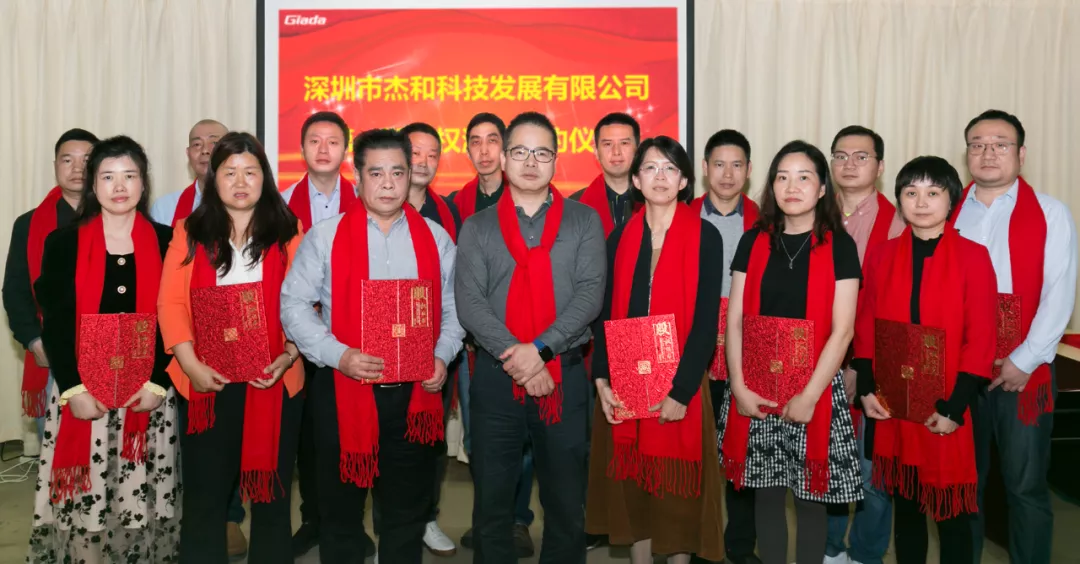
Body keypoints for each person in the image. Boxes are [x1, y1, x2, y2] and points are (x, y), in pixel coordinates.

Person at [280, 128, 465, 564]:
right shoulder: (325, 236)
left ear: (410, 175)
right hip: (342, 389)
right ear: (357, 175)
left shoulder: (436, 238)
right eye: (376, 173)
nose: (387, 184)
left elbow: (455, 309)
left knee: (406, 510)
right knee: (339, 511)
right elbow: (293, 305)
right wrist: (338, 354)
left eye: (397, 173)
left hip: (413, 396)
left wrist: (441, 355)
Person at [455, 111, 606, 564]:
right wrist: (519, 358)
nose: (531, 162)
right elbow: (470, 304)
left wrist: (540, 351)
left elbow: (590, 295)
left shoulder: (584, 221)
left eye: (542, 152)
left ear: (556, 160)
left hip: (564, 376)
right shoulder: (478, 226)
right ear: (503, 158)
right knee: (492, 502)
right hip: (496, 378)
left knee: (565, 501)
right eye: (520, 151)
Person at [26, 135, 179, 562]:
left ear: (144, 183)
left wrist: (157, 382)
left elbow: (174, 317)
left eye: (130, 175)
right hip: (82, 394)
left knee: (139, 494)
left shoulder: (168, 241)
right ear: (93, 185)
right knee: (86, 497)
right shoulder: (64, 242)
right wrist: (73, 389)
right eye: (108, 177)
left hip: (147, 395)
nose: (120, 186)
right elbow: (56, 324)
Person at [158, 132, 305, 564]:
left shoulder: (289, 230)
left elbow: (307, 301)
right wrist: (190, 364)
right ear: (213, 178)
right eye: (229, 172)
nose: (240, 182)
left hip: (275, 379)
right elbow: (171, 303)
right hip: (207, 381)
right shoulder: (189, 231)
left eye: (250, 172)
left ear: (265, 177)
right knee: (205, 494)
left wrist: (289, 354)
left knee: (272, 493)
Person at [719, 141, 863, 564]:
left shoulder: (840, 246)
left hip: (814, 388)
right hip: (756, 385)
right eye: (782, 177)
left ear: (822, 188)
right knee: (766, 495)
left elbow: (843, 330)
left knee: (810, 498)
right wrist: (738, 386)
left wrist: (809, 396)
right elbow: (734, 320)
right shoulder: (753, 241)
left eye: (804, 177)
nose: (792, 186)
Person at [586, 135, 725, 563]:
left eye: (670, 168)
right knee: (635, 489)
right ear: (636, 180)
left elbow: (706, 322)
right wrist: (602, 380)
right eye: (650, 167)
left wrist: (681, 392)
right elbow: (605, 315)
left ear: (684, 180)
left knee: (676, 490)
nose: (660, 177)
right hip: (626, 379)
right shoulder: (619, 238)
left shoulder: (705, 236)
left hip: (682, 380)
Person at [854, 156, 996, 564]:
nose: (921, 202)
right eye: (910, 192)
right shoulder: (881, 256)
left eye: (933, 192)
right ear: (899, 199)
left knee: (952, 513)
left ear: (952, 200)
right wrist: (866, 389)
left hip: (949, 404)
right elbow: (866, 325)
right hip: (894, 405)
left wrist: (954, 407)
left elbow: (981, 339)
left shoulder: (974, 257)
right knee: (907, 509)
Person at [953, 110, 1077, 564]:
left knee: (1024, 486)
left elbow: (1059, 293)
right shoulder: (946, 210)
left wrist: (1024, 360)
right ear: (967, 153)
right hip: (959, 370)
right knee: (963, 483)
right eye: (978, 144)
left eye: (1000, 144)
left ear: (1021, 154)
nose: (988, 153)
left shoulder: (1050, 212)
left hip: (1024, 372)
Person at [148, 118, 250, 559]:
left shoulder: (272, 219)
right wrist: (188, 359)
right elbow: (167, 292)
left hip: (255, 362)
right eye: (197, 143)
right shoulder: (170, 211)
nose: (206, 149)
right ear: (189, 155)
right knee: (200, 458)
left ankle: (231, 517)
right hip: (190, 354)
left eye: (216, 142)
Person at [278, 110, 367, 559]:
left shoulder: (366, 200)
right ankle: (313, 518)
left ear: (345, 151)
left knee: (351, 434)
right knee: (307, 439)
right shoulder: (279, 205)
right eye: (315, 141)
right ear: (302, 149)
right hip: (296, 341)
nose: (324, 149)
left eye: (333, 141)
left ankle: (350, 523)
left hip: (352, 341)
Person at [450, 112, 539, 557]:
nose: (483, 150)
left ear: (505, 151)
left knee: (523, 439)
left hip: (526, 342)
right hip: (475, 346)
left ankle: (517, 520)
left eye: (492, 141)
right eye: (475, 141)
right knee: (481, 439)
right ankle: (489, 518)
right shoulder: (457, 203)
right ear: (467, 149)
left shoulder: (526, 195)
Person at [824, 125, 905, 564]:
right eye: (841, 155)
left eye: (861, 156)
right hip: (819, 359)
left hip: (875, 363)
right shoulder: (812, 213)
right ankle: (829, 548)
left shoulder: (899, 221)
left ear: (880, 165)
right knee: (824, 461)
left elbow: (895, 305)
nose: (849, 164)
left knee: (874, 468)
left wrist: (860, 364)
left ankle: (866, 553)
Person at [688, 129, 761, 564]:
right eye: (719, 164)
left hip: (747, 349)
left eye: (737, 165)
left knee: (741, 451)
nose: (727, 174)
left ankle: (740, 544)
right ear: (704, 168)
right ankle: (698, 541)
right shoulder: (681, 216)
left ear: (749, 171)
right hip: (693, 347)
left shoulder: (765, 221)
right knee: (695, 449)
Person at [399, 121, 468, 557]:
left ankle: (426, 516)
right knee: (388, 442)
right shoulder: (372, 206)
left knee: (429, 438)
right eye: (415, 152)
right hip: (381, 347)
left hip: (435, 346)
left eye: (432, 154)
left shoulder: (448, 213)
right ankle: (391, 527)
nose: (423, 162)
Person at [4, 128, 99, 436]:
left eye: (87, 160)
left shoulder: (120, 217)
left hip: (109, 352)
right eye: (67, 160)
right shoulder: (30, 224)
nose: (77, 168)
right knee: (55, 448)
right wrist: (33, 340)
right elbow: (15, 290)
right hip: (53, 351)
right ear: (56, 165)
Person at [571, 112, 641, 235]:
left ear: (638, 150)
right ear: (596, 152)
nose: (616, 152)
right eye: (608, 144)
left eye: (624, 143)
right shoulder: (574, 205)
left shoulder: (655, 200)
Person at [150, 119, 229, 227]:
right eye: (197, 144)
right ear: (188, 153)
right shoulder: (164, 207)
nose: (205, 150)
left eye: (214, 143)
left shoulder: (244, 202)